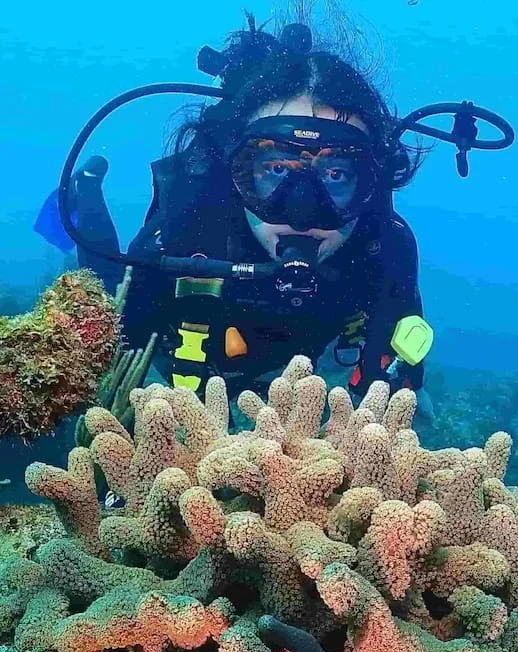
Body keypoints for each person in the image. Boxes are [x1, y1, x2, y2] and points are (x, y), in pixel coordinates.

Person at [115, 16, 434, 408]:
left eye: (336, 174)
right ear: (235, 169)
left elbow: (395, 384)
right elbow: (111, 347)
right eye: (277, 170)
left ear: (372, 184)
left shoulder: (384, 250)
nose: (302, 212)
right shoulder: (187, 233)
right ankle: (87, 195)